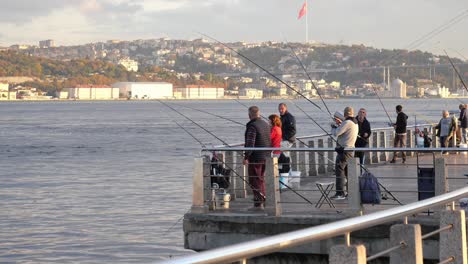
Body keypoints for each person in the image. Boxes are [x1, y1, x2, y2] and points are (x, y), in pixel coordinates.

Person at [243, 106, 271, 210]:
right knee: (261, 179)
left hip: (255, 157)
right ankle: (262, 199)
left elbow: (250, 143)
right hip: (266, 156)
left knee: (254, 180)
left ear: (249, 115)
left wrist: (246, 156)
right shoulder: (266, 124)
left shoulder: (252, 127)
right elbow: (268, 140)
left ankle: (259, 202)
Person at [330, 107, 359, 200]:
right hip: (350, 150)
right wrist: (340, 124)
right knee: (348, 173)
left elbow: (336, 133)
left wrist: (334, 126)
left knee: (339, 172)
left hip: (344, 151)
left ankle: (340, 193)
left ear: (345, 114)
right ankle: (350, 192)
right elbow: (345, 131)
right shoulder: (355, 122)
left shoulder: (347, 122)